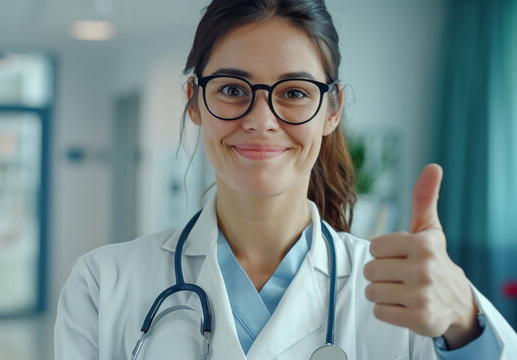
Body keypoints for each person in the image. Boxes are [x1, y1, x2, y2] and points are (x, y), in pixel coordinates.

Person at [54, 0, 517, 359]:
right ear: (194, 101)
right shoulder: (102, 284)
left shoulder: (397, 293)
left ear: (331, 110)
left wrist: (464, 327)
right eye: (233, 90)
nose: (261, 120)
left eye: (294, 92)